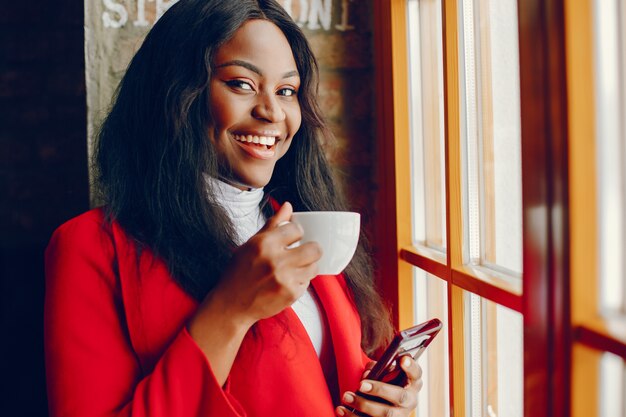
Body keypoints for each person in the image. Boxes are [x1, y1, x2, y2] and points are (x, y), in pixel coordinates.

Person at [44, 1, 423, 416]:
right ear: (176, 93)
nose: (272, 112)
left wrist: (382, 399)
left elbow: (304, 377)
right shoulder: (90, 248)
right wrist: (230, 309)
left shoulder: (302, 224)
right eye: (242, 84)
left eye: (286, 91)